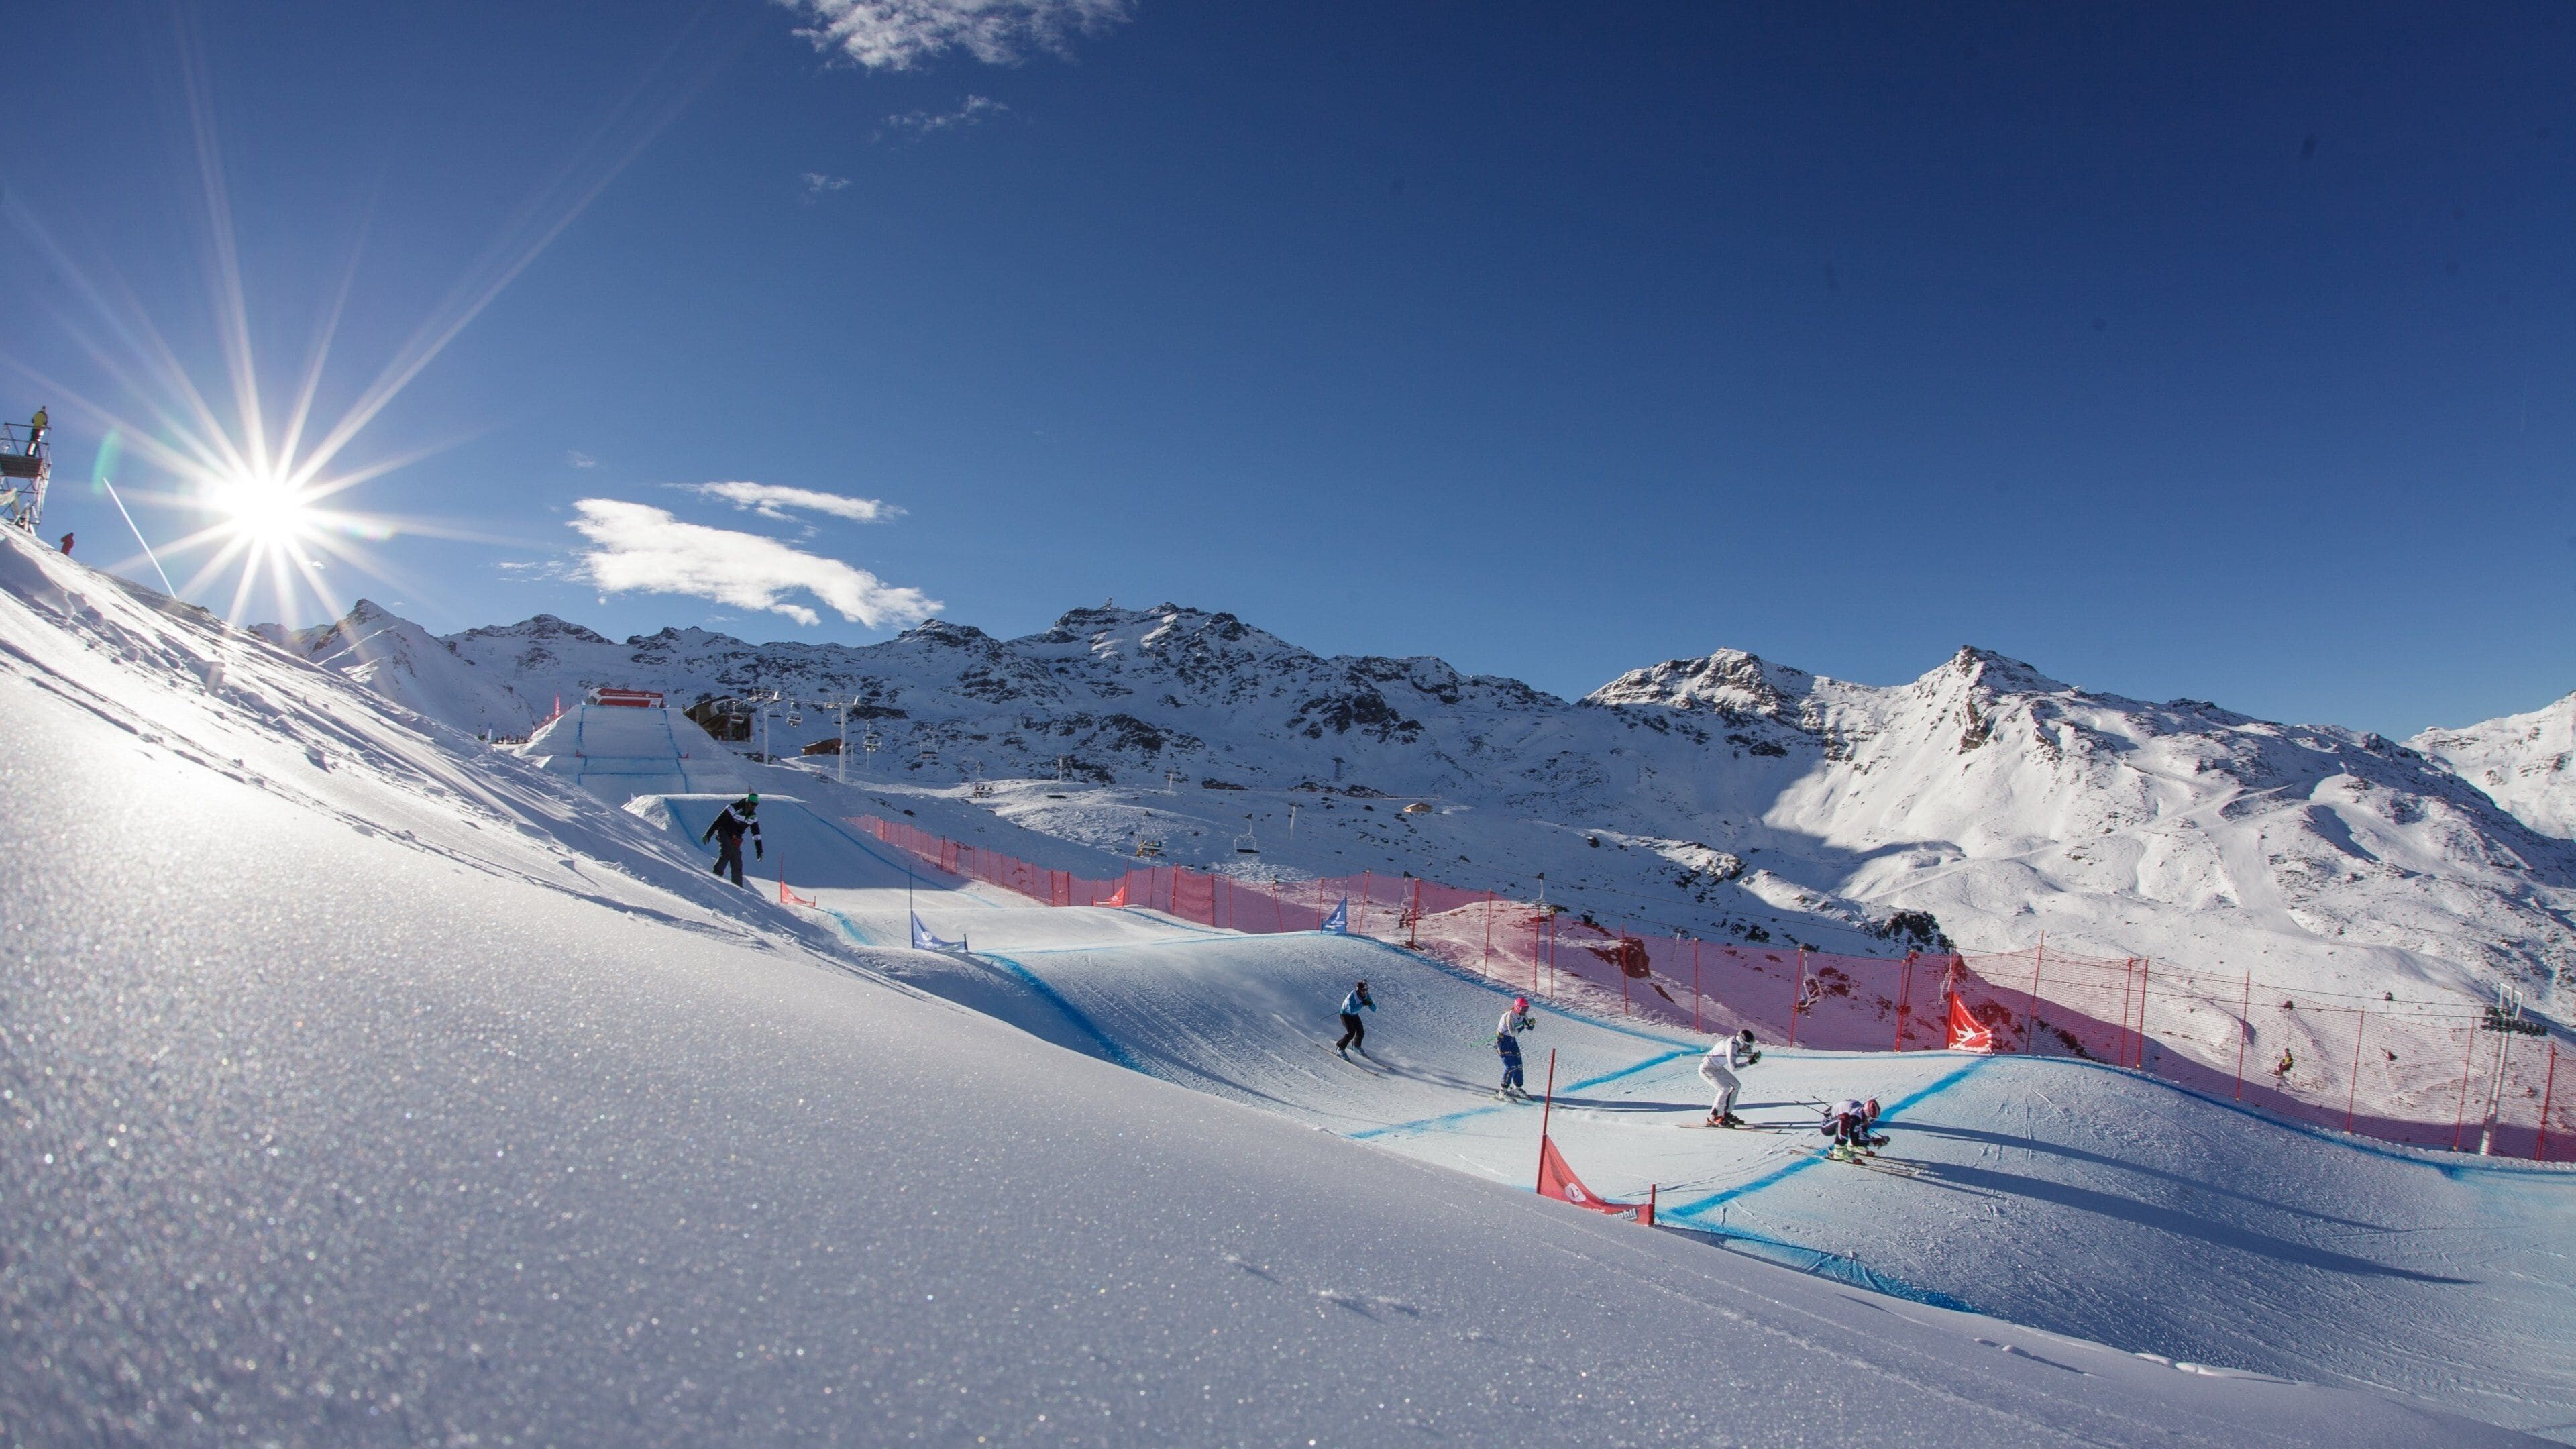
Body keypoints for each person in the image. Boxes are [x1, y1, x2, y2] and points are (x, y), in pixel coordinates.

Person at [1700, 1028, 1760, 1126]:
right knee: (1724, 1088)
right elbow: (1734, 1068)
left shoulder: (1741, 1045)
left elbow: (1749, 1055)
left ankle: (1727, 1113)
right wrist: (1749, 1063)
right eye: (1747, 1045)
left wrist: (1754, 1057)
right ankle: (1716, 1117)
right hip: (1706, 1069)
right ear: (1742, 1042)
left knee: (1737, 1085)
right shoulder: (1731, 1046)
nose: (1748, 1048)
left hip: (1717, 1067)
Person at [700, 792, 762, 885]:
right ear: (747, 802)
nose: (753, 807)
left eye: (755, 805)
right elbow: (718, 821)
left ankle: (738, 888)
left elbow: (756, 834)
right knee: (727, 851)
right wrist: (708, 834)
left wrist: (759, 851)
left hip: (736, 838)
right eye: (752, 804)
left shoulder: (753, 816)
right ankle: (716, 876)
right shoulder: (733, 808)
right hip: (724, 832)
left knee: (737, 861)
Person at [1493, 996, 1536, 1099]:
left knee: (1519, 1065)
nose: (1525, 1011)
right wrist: (1524, 1026)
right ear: (1518, 1007)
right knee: (1511, 1066)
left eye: (1527, 1009)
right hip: (1503, 1042)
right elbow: (1513, 1033)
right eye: (1523, 1009)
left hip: (1512, 1042)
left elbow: (1528, 1027)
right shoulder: (1509, 1016)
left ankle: (1517, 1088)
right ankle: (1503, 1091)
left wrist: (1531, 1025)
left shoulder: (1522, 1015)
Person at [1821, 1097, 1885, 1157]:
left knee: (1860, 1125)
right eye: (1871, 1120)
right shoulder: (1855, 1117)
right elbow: (1855, 1141)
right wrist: (1872, 1142)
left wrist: (1874, 1141)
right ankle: (1839, 1150)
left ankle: (1851, 1146)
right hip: (1826, 1127)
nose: (1871, 1122)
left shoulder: (1862, 1113)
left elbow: (1860, 1135)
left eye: (1874, 1120)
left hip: (1838, 1118)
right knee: (1845, 1118)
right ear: (1866, 1114)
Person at [1336, 980, 1375, 1058]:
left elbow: (1374, 1009)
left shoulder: (1366, 995)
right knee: (1351, 1033)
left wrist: (1370, 1004)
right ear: (1359, 990)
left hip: (1355, 1015)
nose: (1365, 992)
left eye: (1367, 990)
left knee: (1361, 1032)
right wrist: (1363, 1003)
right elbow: (1352, 1011)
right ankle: (1340, 1048)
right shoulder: (1352, 996)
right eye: (1364, 990)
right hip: (1345, 1015)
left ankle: (1356, 1046)